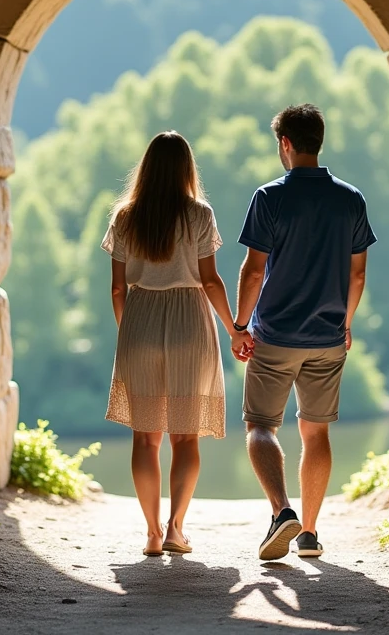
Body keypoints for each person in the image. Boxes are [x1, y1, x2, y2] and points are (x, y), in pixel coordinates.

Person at [231, 104, 376, 561]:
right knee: (316, 432)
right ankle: (309, 534)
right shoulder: (351, 199)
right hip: (328, 337)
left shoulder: (269, 196)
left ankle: (281, 513)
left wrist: (240, 326)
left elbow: (254, 271)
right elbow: (357, 275)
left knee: (260, 425)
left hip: (274, 335)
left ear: (286, 143)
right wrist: (345, 324)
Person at [102, 131, 245, 557]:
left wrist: (131, 333)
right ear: (187, 168)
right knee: (185, 438)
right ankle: (175, 529)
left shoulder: (125, 217)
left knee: (145, 440)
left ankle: (150, 533)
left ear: (146, 168)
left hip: (140, 321)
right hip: (189, 324)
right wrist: (235, 329)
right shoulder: (199, 214)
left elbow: (117, 289)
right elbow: (210, 280)